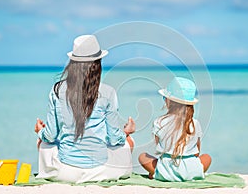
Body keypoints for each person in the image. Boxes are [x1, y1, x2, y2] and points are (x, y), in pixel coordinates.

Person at [34, 35, 135, 183]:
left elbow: (50, 135)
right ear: (98, 64)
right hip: (100, 171)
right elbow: (114, 139)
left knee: (42, 142)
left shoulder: (57, 90)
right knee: (129, 142)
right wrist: (126, 132)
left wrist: (39, 131)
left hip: (65, 171)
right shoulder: (108, 92)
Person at [138, 77, 211, 181]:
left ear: (168, 101)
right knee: (207, 157)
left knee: (142, 157)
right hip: (191, 169)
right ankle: (191, 174)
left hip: (166, 169)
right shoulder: (195, 123)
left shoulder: (159, 122)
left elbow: (160, 148)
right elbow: (197, 152)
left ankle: (157, 174)